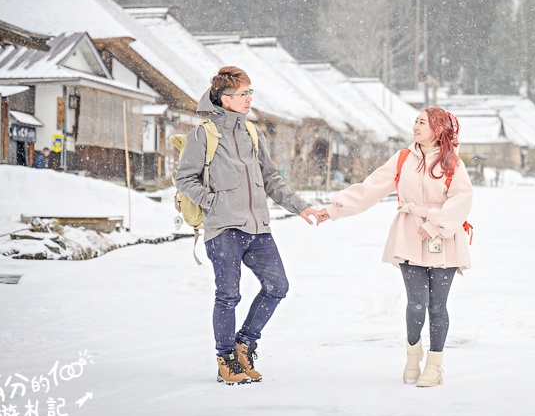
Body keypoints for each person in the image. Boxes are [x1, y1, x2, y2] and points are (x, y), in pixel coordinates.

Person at [176, 66, 321, 385]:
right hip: (224, 230)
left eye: (250, 92)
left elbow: (271, 179)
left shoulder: (252, 133)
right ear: (225, 99)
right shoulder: (203, 133)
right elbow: (184, 178)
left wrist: (302, 207)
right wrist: (214, 202)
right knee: (228, 296)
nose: (249, 99)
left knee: (278, 286)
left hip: (258, 230)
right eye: (243, 94)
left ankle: (245, 344)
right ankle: (226, 359)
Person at [314, 107, 472, 387]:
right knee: (416, 304)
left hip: (443, 240)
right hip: (409, 237)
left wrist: (436, 224)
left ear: (438, 129)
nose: (416, 126)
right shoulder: (402, 159)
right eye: (416, 121)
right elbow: (370, 188)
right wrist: (334, 210)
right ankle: (413, 358)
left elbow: (462, 199)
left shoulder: (452, 163)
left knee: (437, 307)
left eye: (422, 122)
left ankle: (434, 366)